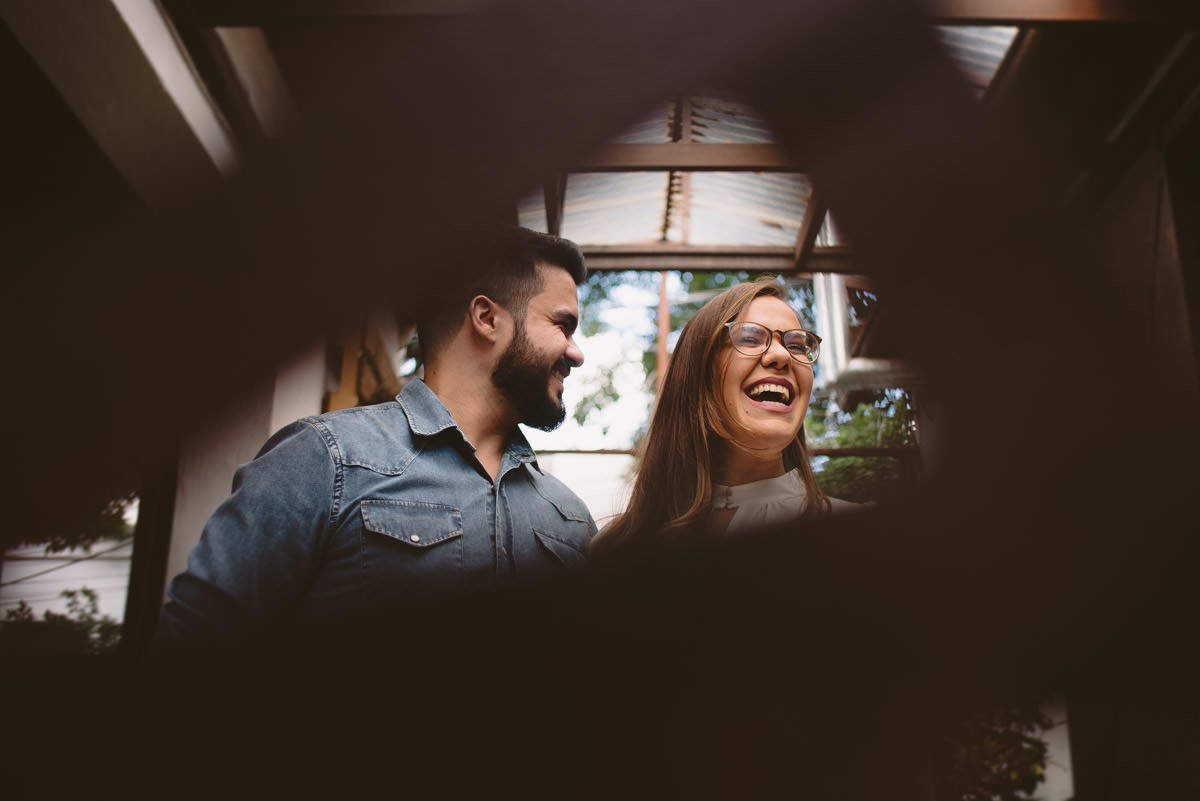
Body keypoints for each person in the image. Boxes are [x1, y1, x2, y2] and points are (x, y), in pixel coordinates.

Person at [157, 226, 597, 643]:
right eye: (563, 326)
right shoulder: (324, 459)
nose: (575, 354)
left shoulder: (571, 519)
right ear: (486, 318)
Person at [594, 277, 855, 553]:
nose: (782, 355)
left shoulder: (858, 540)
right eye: (750, 338)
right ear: (696, 374)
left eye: (797, 344)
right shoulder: (614, 552)